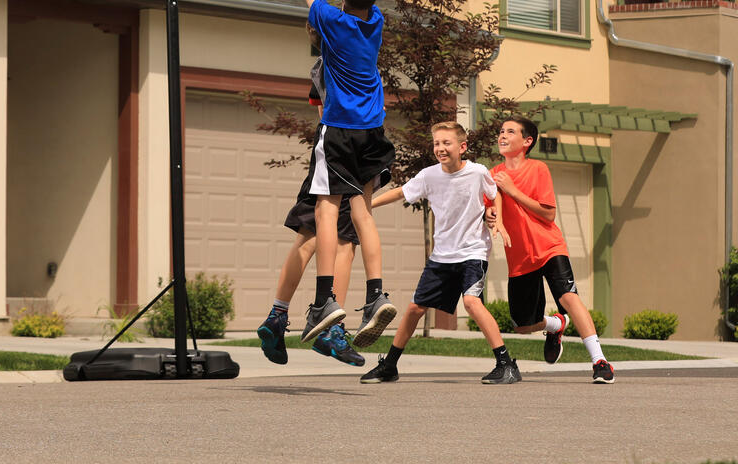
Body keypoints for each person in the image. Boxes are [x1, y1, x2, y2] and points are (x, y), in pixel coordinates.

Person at [295, 0, 397, 349]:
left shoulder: (331, 22)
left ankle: (325, 300)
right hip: (374, 130)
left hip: (340, 129)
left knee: (325, 207)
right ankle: (375, 296)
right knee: (364, 214)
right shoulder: (375, 20)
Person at [359, 121, 521, 385]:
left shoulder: (478, 172)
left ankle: (506, 364)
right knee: (414, 309)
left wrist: (498, 220)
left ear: (462, 147)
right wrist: (366, 205)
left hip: (472, 252)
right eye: (436, 143)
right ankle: (389, 366)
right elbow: (402, 191)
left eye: (447, 143)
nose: (440, 148)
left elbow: (496, 194)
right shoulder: (429, 175)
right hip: (442, 256)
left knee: (471, 302)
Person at [256, 22, 364, 368]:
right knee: (345, 242)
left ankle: (277, 315)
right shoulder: (352, 62)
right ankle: (331, 330)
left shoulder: (318, 67)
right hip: (347, 151)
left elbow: (320, 112)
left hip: (324, 147)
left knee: (308, 237)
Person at [488, 115, 615, 384]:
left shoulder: (538, 169)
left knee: (569, 297)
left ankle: (599, 361)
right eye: (501, 131)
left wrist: (512, 190)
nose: (502, 135)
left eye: (510, 131)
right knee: (522, 325)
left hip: (549, 247)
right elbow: (491, 207)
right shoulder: (494, 174)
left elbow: (548, 214)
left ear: (527, 141)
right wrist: (491, 217)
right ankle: (556, 325)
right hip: (520, 258)